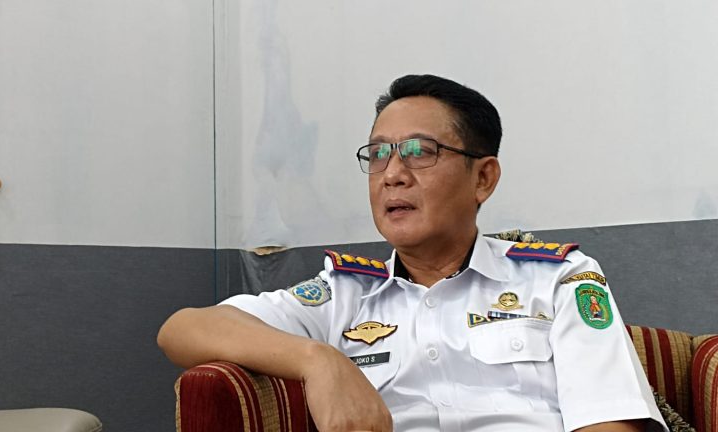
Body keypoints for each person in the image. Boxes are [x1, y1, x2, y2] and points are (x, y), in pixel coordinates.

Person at [158, 74, 667, 432]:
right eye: (378, 154)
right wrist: (320, 360)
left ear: (483, 178)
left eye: (420, 152)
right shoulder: (344, 294)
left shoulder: (557, 280)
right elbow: (182, 329)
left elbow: (609, 422)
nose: (393, 174)